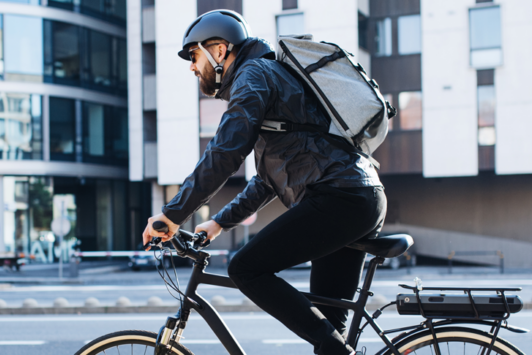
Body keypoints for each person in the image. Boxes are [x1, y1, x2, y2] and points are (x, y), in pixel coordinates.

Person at [141, 9, 385, 355]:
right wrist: (215, 223)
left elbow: (225, 151)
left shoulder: (253, 76)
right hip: (358, 196)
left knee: (245, 268)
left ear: (220, 50)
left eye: (194, 56)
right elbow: (268, 180)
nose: (193, 67)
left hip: (338, 198)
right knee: (329, 332)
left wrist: (172, 214)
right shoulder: (271, 77)